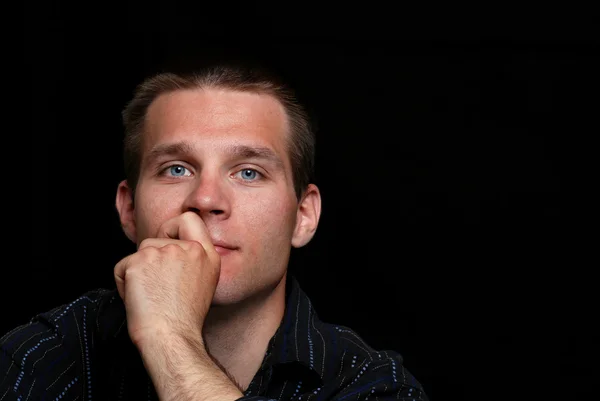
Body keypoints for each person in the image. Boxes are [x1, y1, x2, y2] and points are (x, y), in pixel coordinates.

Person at [1, 61, 429, 400]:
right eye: (176, 168)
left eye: (248, 172)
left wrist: (170, 341)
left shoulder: (372, 384)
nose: (205, 199)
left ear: (304, 215)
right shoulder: (44, 353)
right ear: (129, 209)